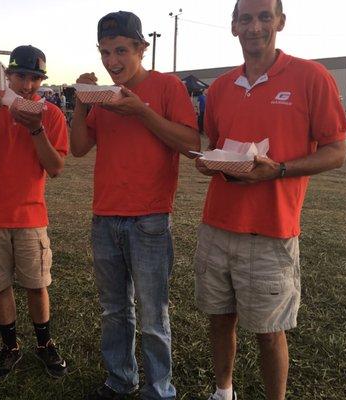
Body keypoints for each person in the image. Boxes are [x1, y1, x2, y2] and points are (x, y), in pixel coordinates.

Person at [193, 1, 346, 399]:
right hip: (217, 225)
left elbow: (337, 150)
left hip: (272, 230)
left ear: (280, 21)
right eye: (246, 18)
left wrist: (278, 169)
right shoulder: (222, 87)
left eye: (265, 17)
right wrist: (210, 164)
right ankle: (223, 391)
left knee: (268, 331)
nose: (255, 26)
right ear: (233, 26)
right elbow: (214, 144)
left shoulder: (311, 76)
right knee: (219, 319)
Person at [71, 11, 200, 400]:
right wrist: (81, 103)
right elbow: (78, 148)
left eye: (121, 50)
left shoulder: (166, 87)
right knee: (114, 310)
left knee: (152, 315)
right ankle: (120, 380)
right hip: (105, 217)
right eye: (106, 52)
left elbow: (191, 143)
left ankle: (160, 390)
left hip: (150, 219)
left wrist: (141, 111)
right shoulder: (103, 97)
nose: (113, 61)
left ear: (142, 49)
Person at [0, 45, 69, 383]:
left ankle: (44, 344)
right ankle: (9, 347)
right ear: (8, 75)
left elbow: (55, 168)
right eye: (21, 76)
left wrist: (35, 128)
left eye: (35, 79)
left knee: (37, 285)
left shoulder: (50, 114)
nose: (27, 86)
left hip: (30, 215)